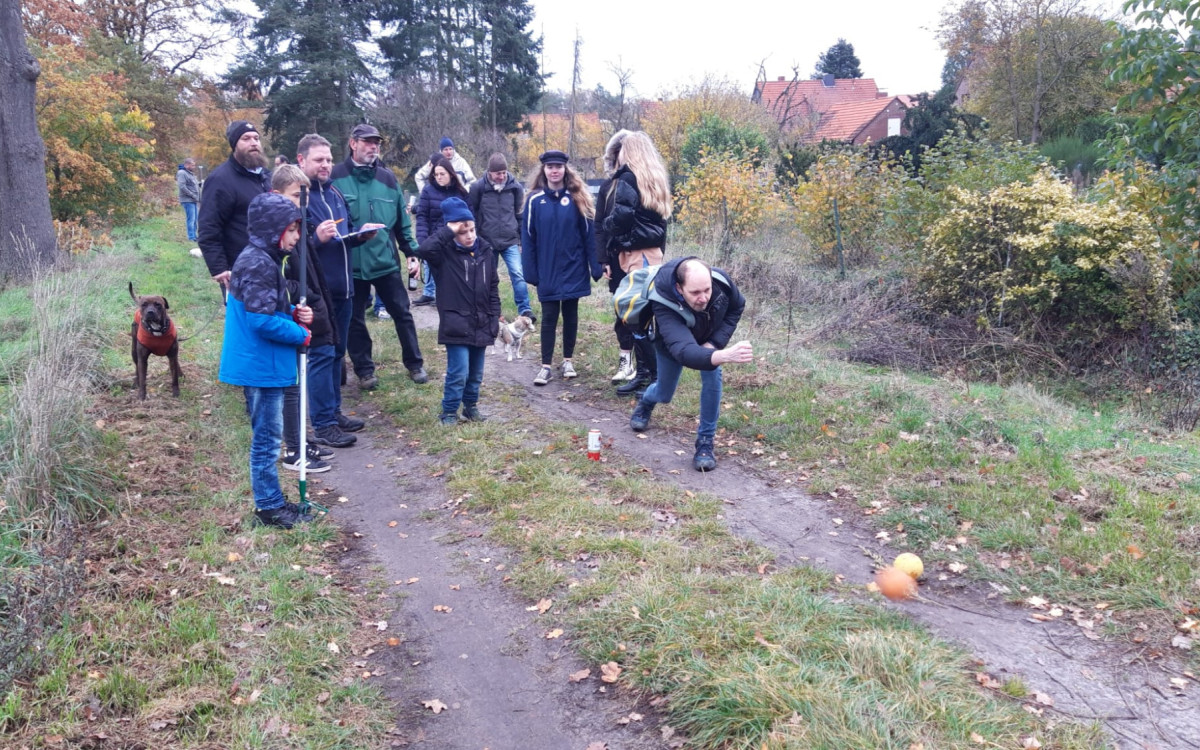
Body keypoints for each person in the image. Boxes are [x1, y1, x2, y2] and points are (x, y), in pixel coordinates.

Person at [218, 191, 315, 529]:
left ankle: (272, 498)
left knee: (269, 436)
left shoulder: (264, 259)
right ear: (273, 229)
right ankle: (268, 506)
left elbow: (266, 307)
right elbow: (260, 321)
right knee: (267, 439)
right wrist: (299, 334)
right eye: (291, 229)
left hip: (266, 362)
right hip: (261, 365)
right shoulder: (258, 262)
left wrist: (292, 311)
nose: (296, 236)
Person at [629, 257, 753, 472]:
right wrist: (724, 355)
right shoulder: (663, 303)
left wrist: (714, 344)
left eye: (707, 290)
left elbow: (737, 306)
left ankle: (705, 442)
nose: (703, 298)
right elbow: (684, 351)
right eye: (695, 293)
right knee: (664, 394)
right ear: (679, 288)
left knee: (712, 380)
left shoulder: (721, 281)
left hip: (709, 340)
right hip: (673, 347)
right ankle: (647, 402)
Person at [330, 123, 428, 389]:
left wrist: (411, 253)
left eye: (377, 143)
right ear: (353, 143)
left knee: (403, 314)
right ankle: (364, 370)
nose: (373, 147)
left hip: (385, 262)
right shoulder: (334, 177)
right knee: (354, 319)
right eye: (367, 142)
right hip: (351, 263)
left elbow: (401, 223)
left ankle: (415, 364)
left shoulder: (388, 179)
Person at [295, 133, 376, 445]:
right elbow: (294, 248)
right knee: (321, 355)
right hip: (317, 293)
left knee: (336, 354)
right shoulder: (299, 197)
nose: (326, 165)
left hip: (345, 289)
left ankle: (334, 412)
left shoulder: (335, 195)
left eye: (329, 159)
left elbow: (343, 236)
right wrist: (317, 239)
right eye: (319, 160)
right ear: (302, 160)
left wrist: (359, 236)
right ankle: (323, 424)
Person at [596, 131, 672, 396]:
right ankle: (646, 373)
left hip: (635, 253)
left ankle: (650, 376)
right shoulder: (655, 177)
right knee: (644, 315)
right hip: (652, 252)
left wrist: (608, 225)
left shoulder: (629, 177)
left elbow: (623, 216)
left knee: (635, 315)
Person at [414, 198, 500, 425]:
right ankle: (449, 411)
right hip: (456, 323)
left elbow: (493, 286)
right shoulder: (442, 254)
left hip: (482, 321)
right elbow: (423, 249)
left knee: (475, 374)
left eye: (472, 229)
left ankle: (470, 407)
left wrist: (494, 316)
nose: (470, 235)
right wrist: (450, 230)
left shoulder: (486, 251)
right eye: (463, 232)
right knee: (458, 372)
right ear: (452, 231)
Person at [521, 150, 602, 386]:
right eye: (550, 167)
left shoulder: (577, 198)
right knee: (548, 317)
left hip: (574, 268)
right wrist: (531, 272)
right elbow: (527, 238)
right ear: (543, 170)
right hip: (547, 270)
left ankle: (568, 360)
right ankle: (545, 366)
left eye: (558, 166)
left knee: (570, 316)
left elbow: (589, 236)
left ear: (565, 169)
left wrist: (595, 266)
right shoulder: (534, 201)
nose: (554, 170)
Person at [197, 121, 271, 288]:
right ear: (234, 145)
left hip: (272, 266)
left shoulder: (267, 176)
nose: (253, 143)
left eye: (256, 138)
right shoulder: (220, 180)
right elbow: (208, 227)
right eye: (246, 138)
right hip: (239, 269)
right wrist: (220, 268)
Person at [468, 152, 533, 320]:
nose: (502, 176)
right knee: (487, 277)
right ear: (490, 172)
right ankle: (487, 310)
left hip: (510, 239)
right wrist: (475, 238)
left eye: (504, 172)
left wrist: (521, 240)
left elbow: (520, 215)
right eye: (498, 173)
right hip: (486, 241)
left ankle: (525, 309)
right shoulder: (478, 188)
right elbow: (472, 214)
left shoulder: (515, 188)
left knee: (518, 274)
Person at [413, 156, 470, 306]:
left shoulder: (460, 192)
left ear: (450, 174)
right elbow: (422, 217)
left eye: (442, 174)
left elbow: (469, 217)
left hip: (456, 242)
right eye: (436, 174)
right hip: (436, 240)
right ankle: (439, 301)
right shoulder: (428, 191)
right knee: (439, 276)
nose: (438, 177)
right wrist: (423, 241)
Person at [177, 158, 201, 243]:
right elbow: (182, 187)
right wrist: (193, 195)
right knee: (191, 219)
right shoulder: (182, 173)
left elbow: (192, 184)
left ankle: (194, 236)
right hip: (187, 200)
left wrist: (199, 185)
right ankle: (191, 237)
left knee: (195, 219)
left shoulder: (190, 174)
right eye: (192, 165)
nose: (194, 167)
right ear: (187, 165)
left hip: (193, 200)